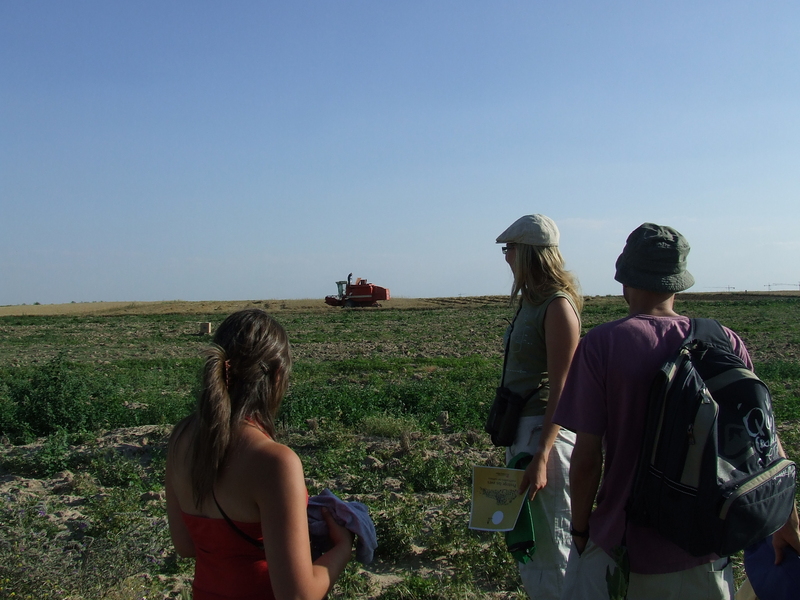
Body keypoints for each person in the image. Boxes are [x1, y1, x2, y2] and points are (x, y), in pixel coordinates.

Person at [553, 223, 800, 600]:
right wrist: (786, 521)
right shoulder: (724, 339)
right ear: (677, 282)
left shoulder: (602, 344)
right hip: (706, 545)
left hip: (625, 547)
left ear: (624, 278)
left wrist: (582, 532)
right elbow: (762, 441)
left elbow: (586, 460)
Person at [165, 309, 354, 600]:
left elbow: (186, 546)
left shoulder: (181, 439)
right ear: (277, 375)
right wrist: (342, 548)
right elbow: (298, 596)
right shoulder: (275, 463)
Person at [495, 214, 583, 599]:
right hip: (525, 435)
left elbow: (563, 387)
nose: (506, 257)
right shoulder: (534, 301)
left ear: (528, 252)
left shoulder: (558, 305)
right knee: (534, 543)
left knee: (553, 546)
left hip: (544, 438)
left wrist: (543, 454)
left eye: (509, 249)